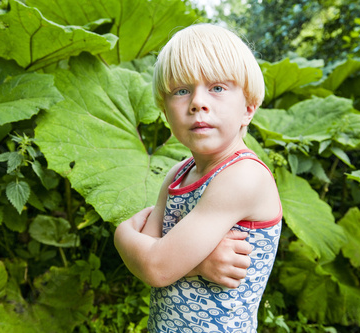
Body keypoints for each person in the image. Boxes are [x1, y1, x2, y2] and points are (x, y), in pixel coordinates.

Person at [114, 23, 282, 332]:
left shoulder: (242, 177)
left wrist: (121, 233)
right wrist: (197, 264)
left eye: (217, 88)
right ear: (165, 112)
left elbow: (154, 265)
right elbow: (151, 254)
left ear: (248, 108)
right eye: (181, 91)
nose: (197, 102)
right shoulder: (177, 175)